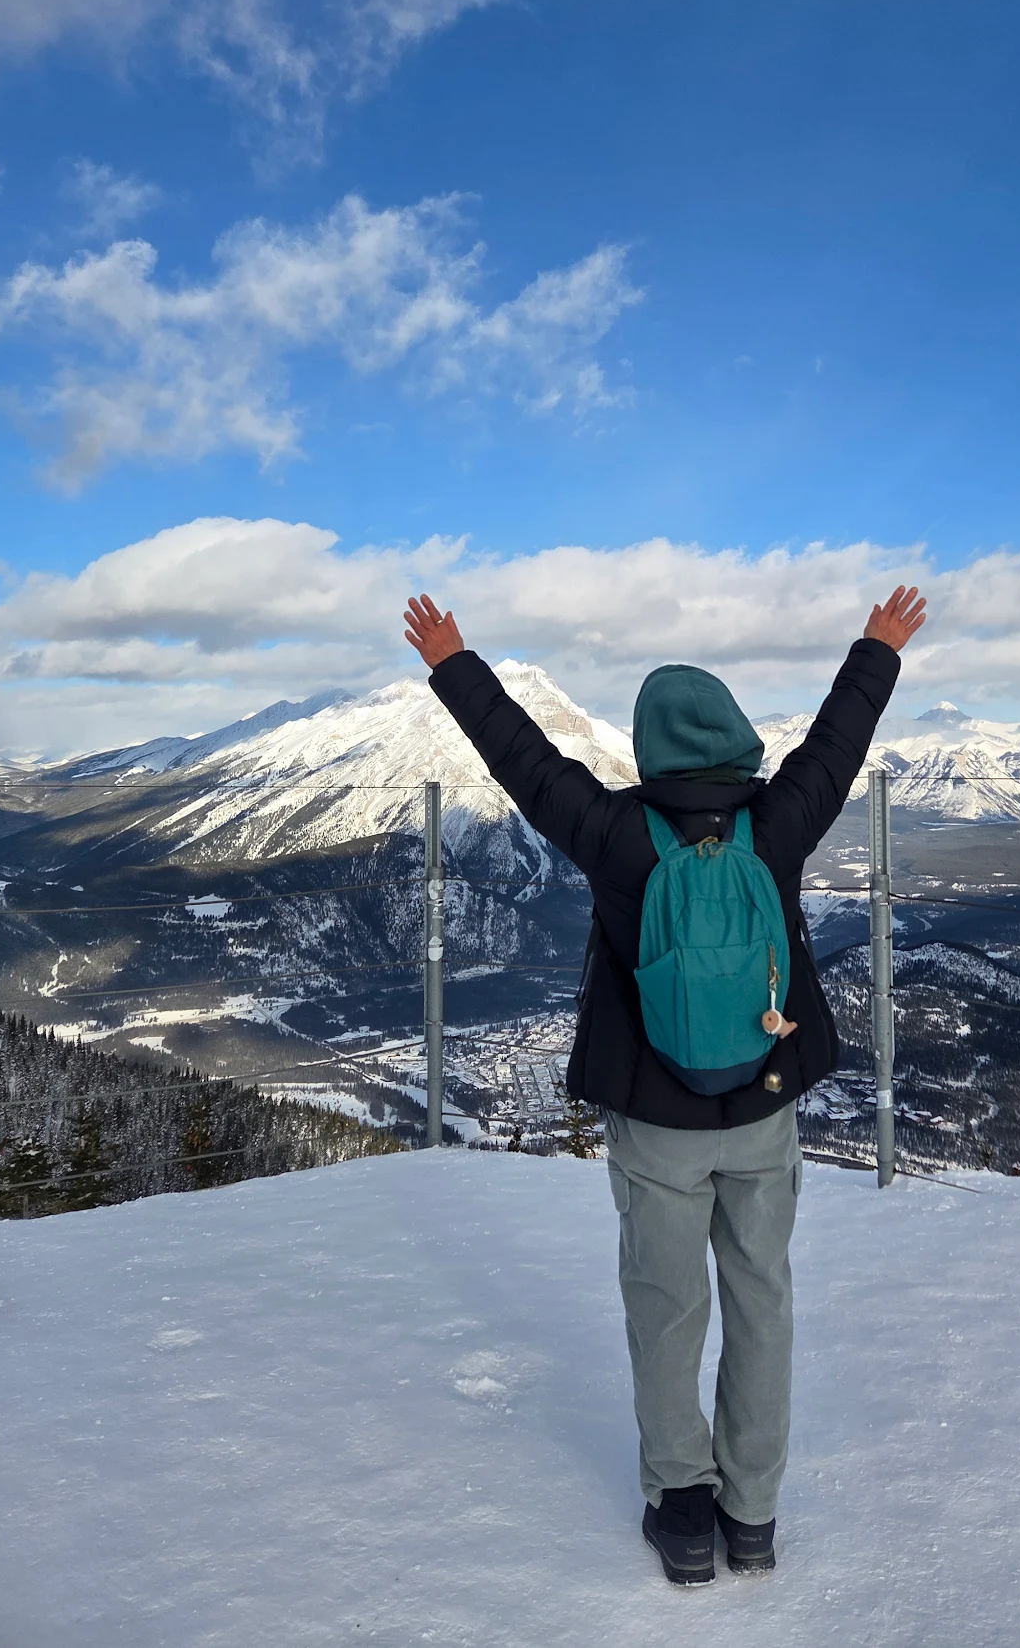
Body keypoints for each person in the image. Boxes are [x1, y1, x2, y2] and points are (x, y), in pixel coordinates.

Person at [403, 584, 927, 1583]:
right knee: (762, 1295)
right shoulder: (777, 824)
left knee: (666, 1302)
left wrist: (454, 663)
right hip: (764, 1101)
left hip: (655, 1115)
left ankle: (684, 1510)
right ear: (736, 744)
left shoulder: (613, 834)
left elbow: (523, 760)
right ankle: (756, 1513)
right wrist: (877, 645)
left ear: (649, 750)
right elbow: (836, 742)